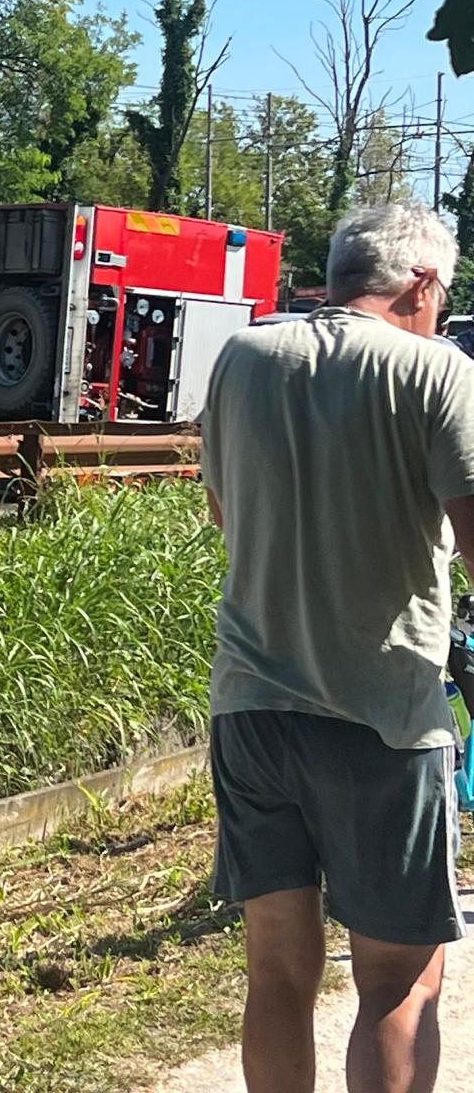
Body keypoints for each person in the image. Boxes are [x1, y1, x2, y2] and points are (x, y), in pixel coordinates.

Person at [201, 202, 474, 1093]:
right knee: (399, 977)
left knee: (278, 973)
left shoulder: (244, 357)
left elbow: (224, 513)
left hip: (250, 709)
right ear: (423, 284)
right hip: (381, 715)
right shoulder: (436, 372)